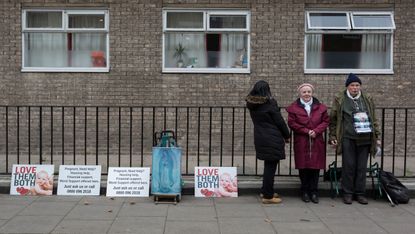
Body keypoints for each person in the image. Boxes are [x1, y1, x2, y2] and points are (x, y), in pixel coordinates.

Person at [329, 73, 381, 205]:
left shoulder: (367, 98)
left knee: (361, 167)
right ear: (347, 86)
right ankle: (347, 193)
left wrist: (377, 135)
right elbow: (333, 120)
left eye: (357, 85)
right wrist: (333, 136)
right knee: (349, 166)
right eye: (352, 85)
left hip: (365, 138)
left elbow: (373, 118)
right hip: (348, 137)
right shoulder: (340, 99)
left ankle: (360, 193)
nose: (355, 88)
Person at [246, 80, 290, 204]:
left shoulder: (251, 104)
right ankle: (268, 196)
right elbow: (279, 121)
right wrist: (287, 135)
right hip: (272, 137)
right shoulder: (270, 103)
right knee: (270, 168)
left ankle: (265, 190)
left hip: (260, 136)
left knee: (268, 166)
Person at [286, 83, 329, 204]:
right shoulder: (293, 108)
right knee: (303, 166)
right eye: (304, 92)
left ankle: (314, 191)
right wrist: (306, 131)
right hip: (302, 140)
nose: (306, 94)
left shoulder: (321, 107)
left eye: (309, 92)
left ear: (312, 93)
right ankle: (304, 191)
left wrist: (316, 131)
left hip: (317, 140)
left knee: (315, 167)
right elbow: (292, 123)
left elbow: (325, 121)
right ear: (300, 93)